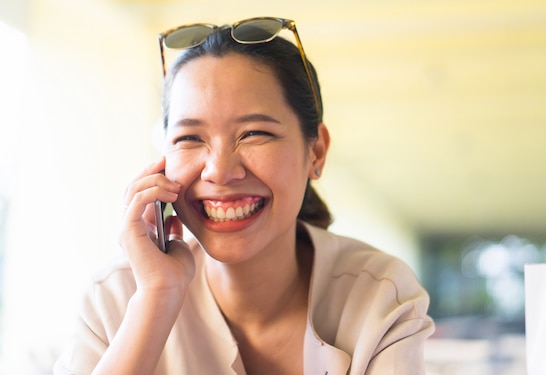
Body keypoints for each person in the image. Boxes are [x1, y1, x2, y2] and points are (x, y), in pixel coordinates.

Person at [54, 17, 434, 375]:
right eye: (189, 138)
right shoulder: (115, 299)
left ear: (315, 152)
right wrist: (156, 298)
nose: (219, 170)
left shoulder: (379, 294)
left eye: (254, 133)